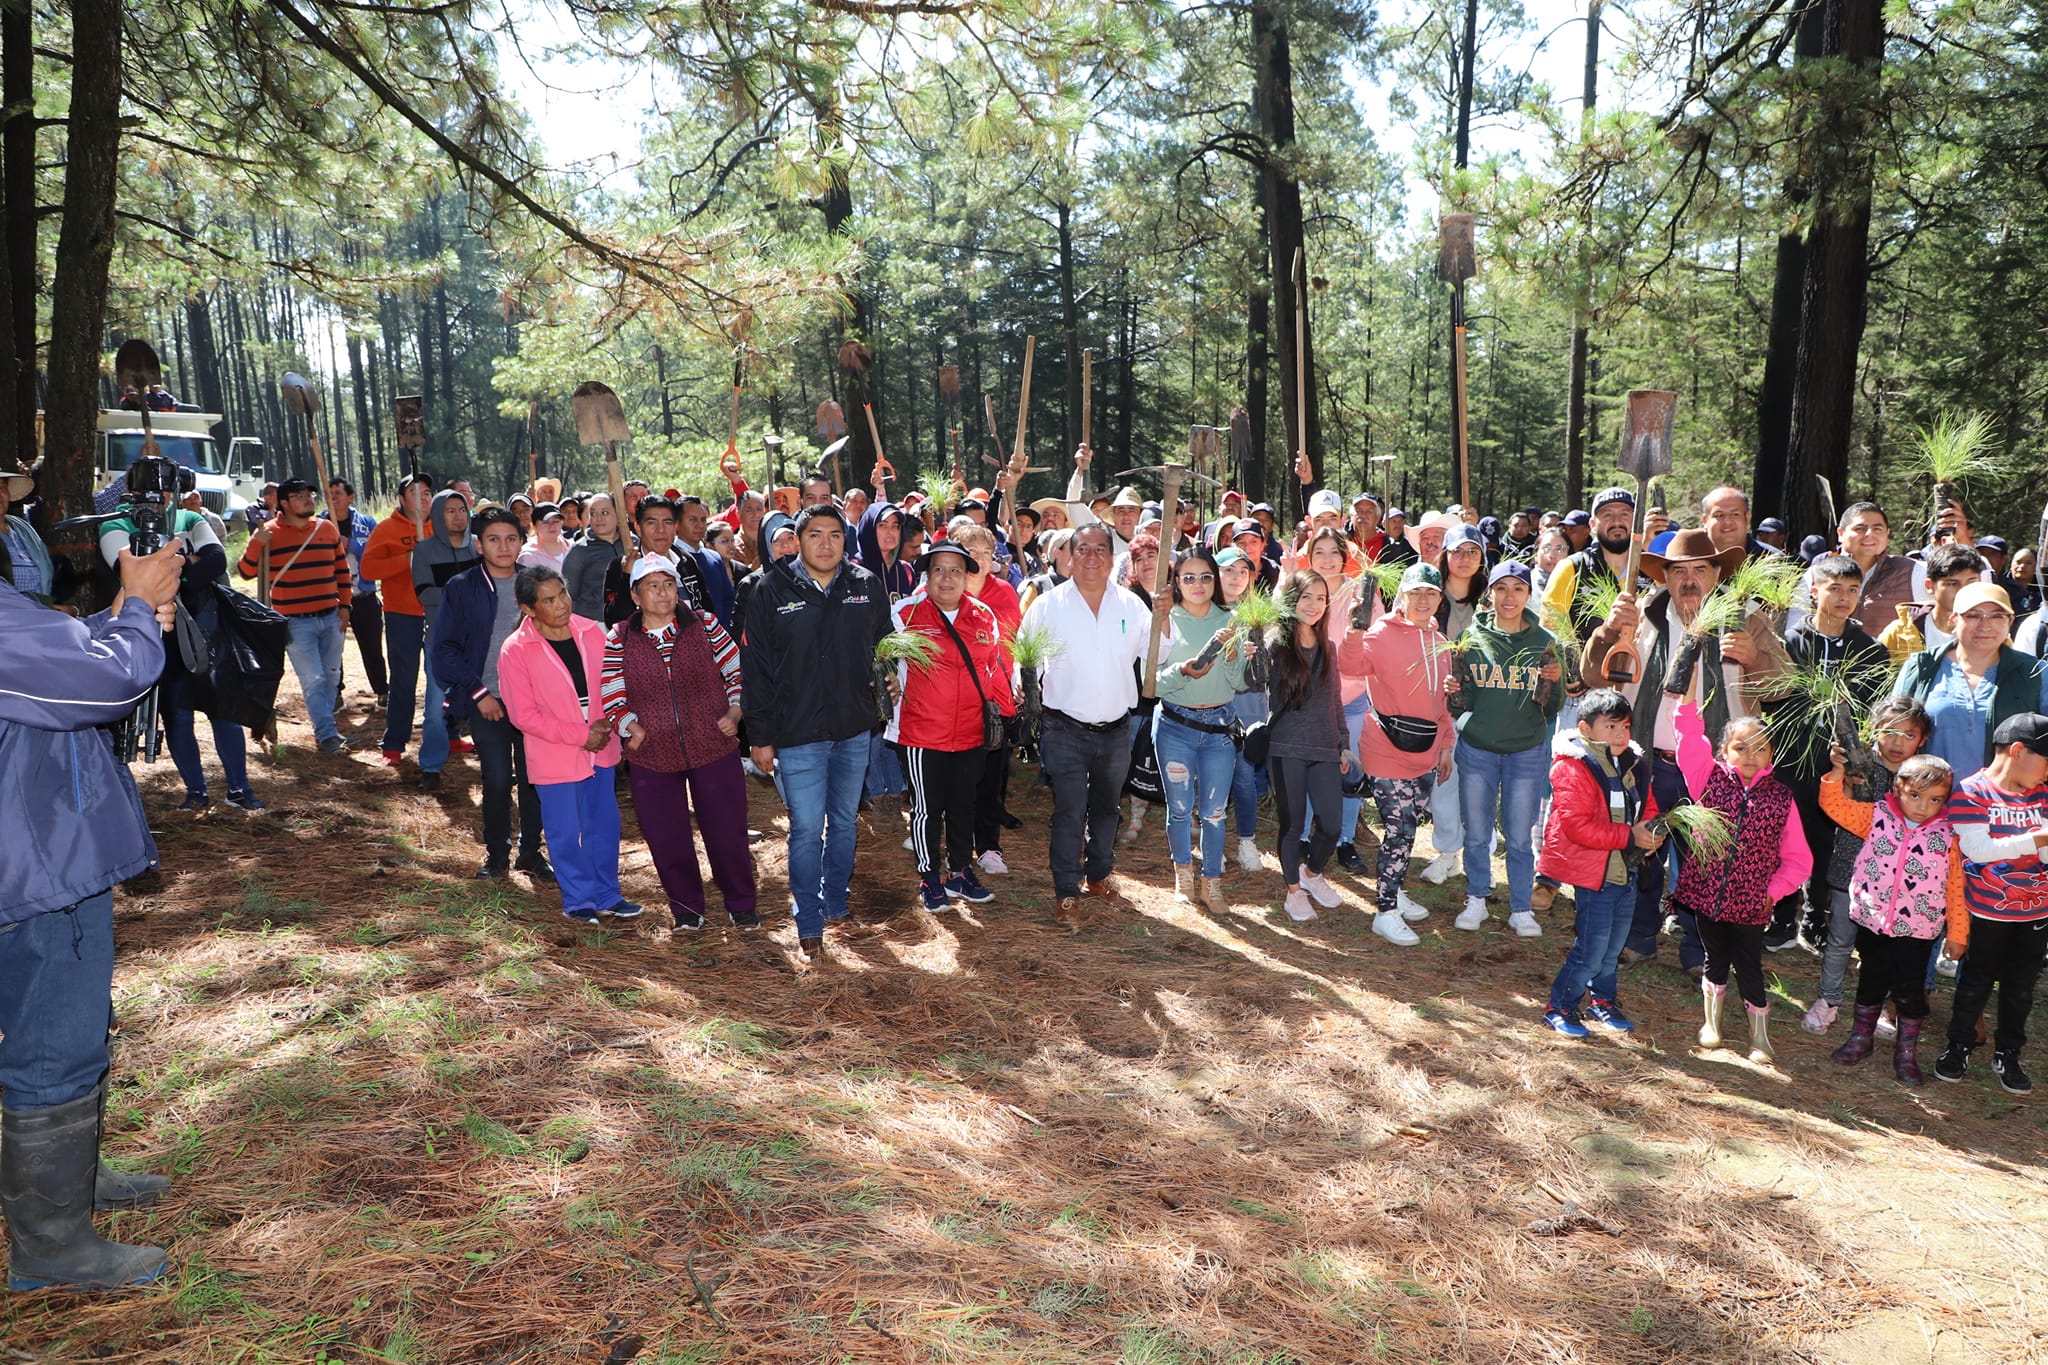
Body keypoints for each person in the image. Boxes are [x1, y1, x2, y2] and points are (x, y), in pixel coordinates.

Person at [0, 540, 182, 1291]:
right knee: (55, 1042)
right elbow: (107, 680)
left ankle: (72, 1179)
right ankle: (51, 1242)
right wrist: (136, 608)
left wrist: (116, 614)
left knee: (54, 1030)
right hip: (40, 866)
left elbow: (52, 663)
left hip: (30, 850)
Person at [1580, 528, 1793, 972]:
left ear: (1717, 573)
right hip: (1646, 759)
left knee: (1708, 861)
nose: (1690, 579)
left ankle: (1699, 951)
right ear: (1667, 577)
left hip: (1717, 769)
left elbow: (1784, 685)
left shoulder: (1746, 617)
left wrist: (1756, 657)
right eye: (1679, 571)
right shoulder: (1643, 612)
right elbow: (1595, 676)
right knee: (1642, 852)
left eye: (1700, 569)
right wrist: (1606, 631)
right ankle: (1639, 937)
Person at [741, 504, 894, 964]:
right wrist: (760, 736)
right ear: (799, 540)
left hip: (852, 728)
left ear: (845, 540)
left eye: (834, 535)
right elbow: (757, 671)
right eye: (814, 535)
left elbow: (885, 645)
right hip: (797, 731)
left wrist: (889, 676)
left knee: (845, 822)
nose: (825, 544)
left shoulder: (865, 585)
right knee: (807, 829)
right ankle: (808, 918)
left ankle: (835, 900)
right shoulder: (770, 590)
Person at [1021, 523, 1172, 931]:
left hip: (1116, 730)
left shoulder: (1131, 606)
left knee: (1107, 808)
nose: (1091, 556)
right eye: (1082, 548)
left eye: (1100, 549)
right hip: (1063, 729)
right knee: (1070, 810)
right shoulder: (1047, 606)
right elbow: (1025, 659)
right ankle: (1066, 892)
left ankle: (1099, 874)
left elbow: (1158, 655)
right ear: (1069, 556)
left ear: (1111, 555)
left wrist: (1164, 618)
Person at [602, 554, 757, 932]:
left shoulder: (703, 624)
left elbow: (736, 669)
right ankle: (687, 909)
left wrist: (735, 712)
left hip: (712, 745)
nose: (662, 593)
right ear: (635, 596)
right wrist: (630, 727)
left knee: (727, 830)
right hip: (652, 754)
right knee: (666, 835)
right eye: (652, 586)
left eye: (668, 583)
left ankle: (741, 903)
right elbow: (611, 693)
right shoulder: (620, 637)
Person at [98, 483, 262, 813]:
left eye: (166, 489)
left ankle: (239, 789)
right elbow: (125, 572)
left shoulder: (188, 517)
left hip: (205, 630)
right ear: (132, 491)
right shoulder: (115, 524)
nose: (159, 498)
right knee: (176, 717)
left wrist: (168, 576)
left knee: (223, 712)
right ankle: (196, 792)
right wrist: (188, 561)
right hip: (156, 633)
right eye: (150, 490)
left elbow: (216, 562)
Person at [1671, 700, 1812, 1064]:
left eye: (1760, 747)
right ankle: (1712, 1025)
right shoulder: (1708, 778)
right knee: (1713, 956)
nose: (1750, 755)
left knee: (1749, 964)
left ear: (1772, 754)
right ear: (1724, 752)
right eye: (1741, 747)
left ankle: (1759, 1037)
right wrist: (1686, 699)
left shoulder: (1781, 799)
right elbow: (1688, 736)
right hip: (1708, 895)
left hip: (1752, 902)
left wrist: (1772, 892)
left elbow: (1799, 859)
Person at [496, 566, 636, 924]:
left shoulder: (592, 632)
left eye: (562, 594)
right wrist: (580, 735)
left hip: (601, 748)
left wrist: (610, 723)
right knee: (564, 832)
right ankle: (578, 900)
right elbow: (523, 715)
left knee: (603, 826)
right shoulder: (516, 650)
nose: (561, 604)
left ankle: (607, 895)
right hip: (554, 755)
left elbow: (612, 685)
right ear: (528, 609)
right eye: (548, 600)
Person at [887, 540, 1014, 911]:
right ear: (926, 576)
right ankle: (929, 879)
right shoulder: (904, 613)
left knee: (963, 805)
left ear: (967, 577)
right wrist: (887, 681)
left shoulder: (982, 615)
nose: (947, 578)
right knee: (928, 808)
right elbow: (878, 660)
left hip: (971, 731)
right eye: (938, 570)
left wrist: (1009, 713)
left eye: (956, 570)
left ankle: (959, 872)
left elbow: (992, 671)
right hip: (921, 732)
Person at [1818, 749, 1957, 1086]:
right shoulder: (1876, 816)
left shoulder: (1948, 836)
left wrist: (1958, 934)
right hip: (1873, 921)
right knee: (1871, 981)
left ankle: (1905, 1053)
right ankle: (1860, 1039)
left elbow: (1955, 888)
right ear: (1897, 789)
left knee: (1909, 990)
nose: (1923, 806)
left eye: (1934, 799)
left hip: (1917, 930)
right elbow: (1833, 805)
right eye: (1914, 795)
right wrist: (1837, 772)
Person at [1801, 697, 1934, 1034]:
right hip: (1851, 869)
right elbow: (1837, 798)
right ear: (1873, 729)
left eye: (1908, 735)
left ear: (1922, 740)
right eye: (1889, 731)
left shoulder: (1921, 779)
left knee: (1884, 949)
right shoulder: (1860, 765)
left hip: (1895, 882)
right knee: (1841, 940)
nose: (1896, 742)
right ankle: (1828, 999)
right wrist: (1840, 768)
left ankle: (1877, 1007)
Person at [432, 508, 551, 881]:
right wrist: (478, 693)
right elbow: (444, 650)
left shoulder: (534, 584)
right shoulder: (462, 586)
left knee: (536, 779)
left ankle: (531, 852)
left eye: (511, 539)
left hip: (534, 702)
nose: (504, 546)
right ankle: (497, 853)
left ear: (522, 542)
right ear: (478, 544)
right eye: (494, 539)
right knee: (498, 780)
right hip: (488, 701)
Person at [1540, 689, 1666, 1037]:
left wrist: (1652, 832)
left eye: (1625, 726)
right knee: (1592, 949)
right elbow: (1577, 827)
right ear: (1585, 728)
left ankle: (1602, 1001)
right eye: (1610, 726)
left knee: (1613, 947)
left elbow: (1649, 804)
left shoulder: (1634, 762)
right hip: (1595, 875)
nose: (1621, 735)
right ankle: (1560, 1006)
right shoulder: (1572, 766)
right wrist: (1630, 836)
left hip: (1626, 872)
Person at [1935, 714, 2048, 1093]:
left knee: (2020, 988)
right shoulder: (1971, 792)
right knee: (1976, 982)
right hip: (1985, 913)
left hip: (2036, 912)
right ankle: (1959, 1045)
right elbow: (1978, 850)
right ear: (2018, 751)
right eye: (2046, 760)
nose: (2047, 772)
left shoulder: (2043, 794)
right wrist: (2037, 839)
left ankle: (2009, 1053)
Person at [1343, 562, 1454, 945]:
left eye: (1431, 593)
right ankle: (1385, 910)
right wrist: (1354, 631)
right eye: (1415, 592)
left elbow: (1441, 703)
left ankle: (1397, 888)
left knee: (1408, 829)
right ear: (1401, 597)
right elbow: (1350, 664)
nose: (1423, 600)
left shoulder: (1441, 642)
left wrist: (1446, 745)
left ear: (1440, 598)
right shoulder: (1380, 633)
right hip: (1386, 749)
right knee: (1400, 829)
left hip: (1425, 749)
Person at [1449, 561, 1563, 936]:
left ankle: (1519, 906)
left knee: (1518, 834)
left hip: (1526, 751)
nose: (1509, 596)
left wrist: (1556, 682)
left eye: (1517, 588)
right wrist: (1461, 711)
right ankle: (1477, 897)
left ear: (1529, 594)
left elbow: (1553, 705)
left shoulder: (1545, 642)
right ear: (1490, 593)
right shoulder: (1471, 638)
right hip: (1478, 750)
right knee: (1478, 830)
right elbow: (1458, 701)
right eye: (1501, 588)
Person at [1152, 547, 1246, 916]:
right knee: (1179, 809)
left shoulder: (1231, 621)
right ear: (1176, 582)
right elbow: (1150, 683)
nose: (1197, 584)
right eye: (1188, 577)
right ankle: (1183, 876)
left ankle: (1212, 882)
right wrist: (1181, 673)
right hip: (1176, 727)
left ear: (1215, 581)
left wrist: (1238, 657)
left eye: (1205, 577)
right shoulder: (1164, 619)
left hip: (1220, 730)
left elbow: (1237, 683)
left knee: (1215, 812)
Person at [1261, 570, 1353, 923]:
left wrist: (1342, 744)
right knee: (1292, 824)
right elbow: (1255, 682)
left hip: (1324, 748)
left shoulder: (1328, 647)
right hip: (1287, 748)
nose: (1313, 605)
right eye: (1306, 597)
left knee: (1331, 825)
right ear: (1291, 600)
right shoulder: (1276, 644)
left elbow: (1335, 700)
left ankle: (1312, 874)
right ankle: (1293, 892)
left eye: (1320, 598)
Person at [236, 478, 352, 754]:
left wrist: (345, 607)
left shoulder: (326, 528)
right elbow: (245, 571)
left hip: (331, 615)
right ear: (283, 503)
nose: (308, 500)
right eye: (300, 496)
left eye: (309, 494)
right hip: (295, 622)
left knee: (331, 677)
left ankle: (328, 729)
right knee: (313, 679)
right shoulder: (269, 532)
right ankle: (327, 735)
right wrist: (256, 543)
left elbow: (341, 571)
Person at [1894, 584, 2048, 783]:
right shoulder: (1922, 667)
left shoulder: (2035, 672)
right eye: (1973, 616)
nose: (1985, 625)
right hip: (1928, 806)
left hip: (2007, 808)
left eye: (1996, 616)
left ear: (2010, 622)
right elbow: (1891, 732)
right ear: (1953, 621)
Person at [361, 479, 447, 777]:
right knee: (403, 680)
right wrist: (409, 559)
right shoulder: (386, 530)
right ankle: (395, 742)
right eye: (415, 493)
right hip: (402, 614)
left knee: (445, 678)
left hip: (440, 614)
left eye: (427, 493)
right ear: (401, 499)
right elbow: (368, 571)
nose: (423, 499)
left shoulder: (443, 524)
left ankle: (449, 734)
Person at [952, 520, 1022, 870]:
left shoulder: (1005, 591)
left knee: (991, 779)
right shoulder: (945, 590)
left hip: (996, 700)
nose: (979, 559)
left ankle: (990, 846)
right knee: (958, 780)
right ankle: (957, 847)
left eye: (985, 553)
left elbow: (1008, 643)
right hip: (953, 701)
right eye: (971, 552)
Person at [1216, 546, 1270, 872]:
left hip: (1249, 708)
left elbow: (1268, 667)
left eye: (1243, 572)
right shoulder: (1205, 611)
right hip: (1215, 707)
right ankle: (1214, 842)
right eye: (1229, 571)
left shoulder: (1258, 615)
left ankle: (1247, 841)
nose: (1236, 578)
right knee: (1214, 780)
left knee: (1245, 777)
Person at [324, 478, 388, 711]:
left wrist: (350, 544)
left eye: (338, 492)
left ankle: (382, 690)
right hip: (332, 597)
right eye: (330, 492)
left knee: (372, 648)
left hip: (363, 594)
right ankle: (335, 693)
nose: (333, 497)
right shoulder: (321, 523)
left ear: (350, 497)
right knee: (332, 650)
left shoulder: (366, 523)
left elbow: (375, 551)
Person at [1877, 542, 1984, 663]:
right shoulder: (1899, 633)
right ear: (1930, 586)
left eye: (1971, 582)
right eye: (1952, 584)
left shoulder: (1992, 632)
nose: (1963, 591)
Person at [564, 491, 626, 622]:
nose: (598, 518)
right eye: (593, 514)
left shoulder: (632, 543)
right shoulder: (579, 550)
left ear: (618, 514)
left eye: (605, 513)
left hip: (630, 622)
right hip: (594, 623)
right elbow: (568, 596)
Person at [0, 465, 56, 605]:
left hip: (40, 618)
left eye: (2, 487)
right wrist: (47, 605)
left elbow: (48, 580)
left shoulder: (22, 529)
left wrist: (71, 608)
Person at [517, 502, 571, 572]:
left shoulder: (572, 547)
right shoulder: (528, 556)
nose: (552, 526)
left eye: (556, 521)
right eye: (545, 522)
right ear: (534, 526)